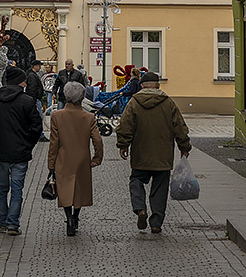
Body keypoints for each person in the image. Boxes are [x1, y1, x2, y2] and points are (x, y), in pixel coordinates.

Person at [115, 69, 191, 235]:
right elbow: (180, 127)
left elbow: (125, 126)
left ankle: (140, 208)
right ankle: (156, 223)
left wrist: (123, 145)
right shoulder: (168, 103)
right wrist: (184, 147)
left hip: (141, 153)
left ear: (142, 86)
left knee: (136, 180)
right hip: (163, 155)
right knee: (160, 188)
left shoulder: (134, 102)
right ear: (158, 86)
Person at [0, 67, 42, 235]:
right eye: (24, 80)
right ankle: (13, 224)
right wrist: (28, 144)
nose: (26, 82)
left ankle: (1, 221)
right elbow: (36, 127)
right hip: (20, 153)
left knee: (0, 189)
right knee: (17, 189)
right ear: (19, 81)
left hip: (0, 152)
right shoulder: (27, 101)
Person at [47, 81, 103, 236]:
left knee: (65, 188)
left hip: (63, 157)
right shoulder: (89, 117)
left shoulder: (57, 116)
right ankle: (76, 216)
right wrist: (96, 158)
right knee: (79, 188)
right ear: (82, 97)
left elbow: (54, 142)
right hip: (82, 157)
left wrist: (51, 164)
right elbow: (97, 140)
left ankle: (69, 217)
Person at [26, 60, 49, 142]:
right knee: (38, 117)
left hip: (34, 99)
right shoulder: (32, 76)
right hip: (35, 100)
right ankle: (40, 135)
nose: (40, 67)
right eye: (39, 66)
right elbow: (33, 89)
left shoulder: (31, 75)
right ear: (35, 66)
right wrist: (34, 99)